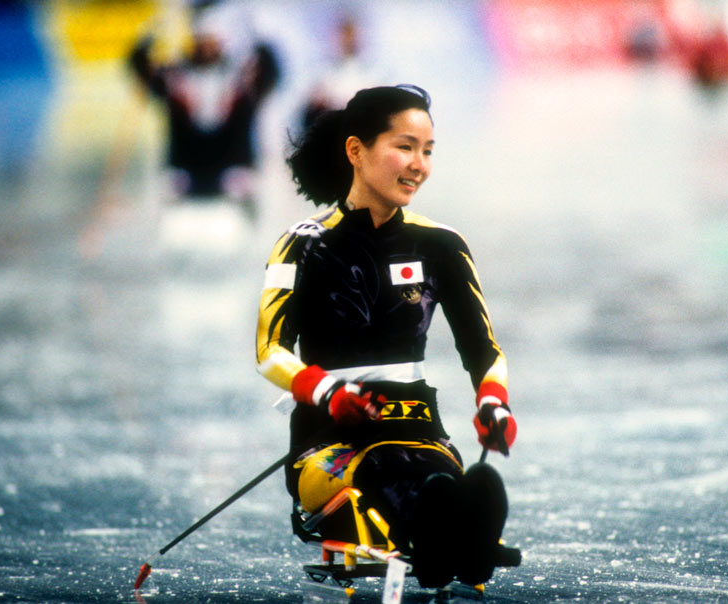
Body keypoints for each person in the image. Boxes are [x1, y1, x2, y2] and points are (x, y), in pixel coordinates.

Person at [255, 85, 518, 588]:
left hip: (423, 435)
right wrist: (329, 394)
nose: (418, 164)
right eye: (405, 147)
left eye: (428, 151)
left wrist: (494, 404)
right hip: (330, 445)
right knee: (387, 469)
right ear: (356, 151)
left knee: (430, 469)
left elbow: (484, 351)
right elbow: (270, 353)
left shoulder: (441, 246)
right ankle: (454, 540)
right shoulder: (301, 245)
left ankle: (452, 534)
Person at [128, 21, 281, 209]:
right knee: (175, 181)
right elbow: (140, 69)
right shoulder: (175, 77)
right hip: (187, 162)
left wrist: (261, 44)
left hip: (231, 161)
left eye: (212, 41)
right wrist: (148, 40)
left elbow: (271, 74)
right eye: (202, 42)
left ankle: (240, 193)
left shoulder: (240, 79)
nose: (207, 47)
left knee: (241, 178)